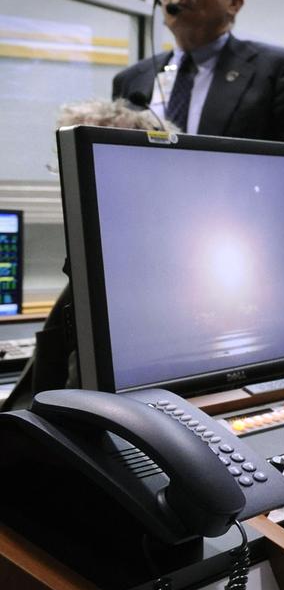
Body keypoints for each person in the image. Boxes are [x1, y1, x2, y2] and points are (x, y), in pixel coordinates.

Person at [112, 0, 284, 241]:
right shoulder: (133, 81)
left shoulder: (279, 70)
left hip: (244, 258)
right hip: (149, 246)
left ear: (235, 2)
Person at [3, 99, 181, 412]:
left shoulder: (120, 279)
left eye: (73, 164)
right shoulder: (100, 265)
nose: (63, 180)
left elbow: (77, 403)